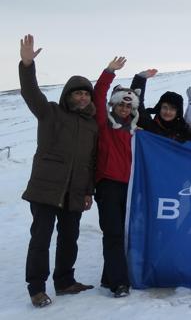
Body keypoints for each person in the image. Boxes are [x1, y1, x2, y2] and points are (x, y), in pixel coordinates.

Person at [18, 35, 97, 308]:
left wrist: (88, 191)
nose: (83, 97)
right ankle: (37, 288)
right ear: (68, 95)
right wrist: (27, 64)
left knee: (69, 238)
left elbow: (90, 161)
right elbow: (30, 93)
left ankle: (65, 281)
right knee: (40, 238)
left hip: (75, 191)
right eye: (78, 92)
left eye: (87, 93)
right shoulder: (50, 113)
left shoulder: (92, 126)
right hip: (46, 188)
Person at [92, 56, 147, 299]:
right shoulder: (104, 124)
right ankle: (119, 283)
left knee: (124, 234)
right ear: (114, 106)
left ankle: (110, 276)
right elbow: (98, 95)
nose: (124, 109)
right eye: (121, 105)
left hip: (130, 188)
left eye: (129, 107)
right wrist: (108, 72)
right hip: (108, 186)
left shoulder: (136, 132)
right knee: (113, 233)